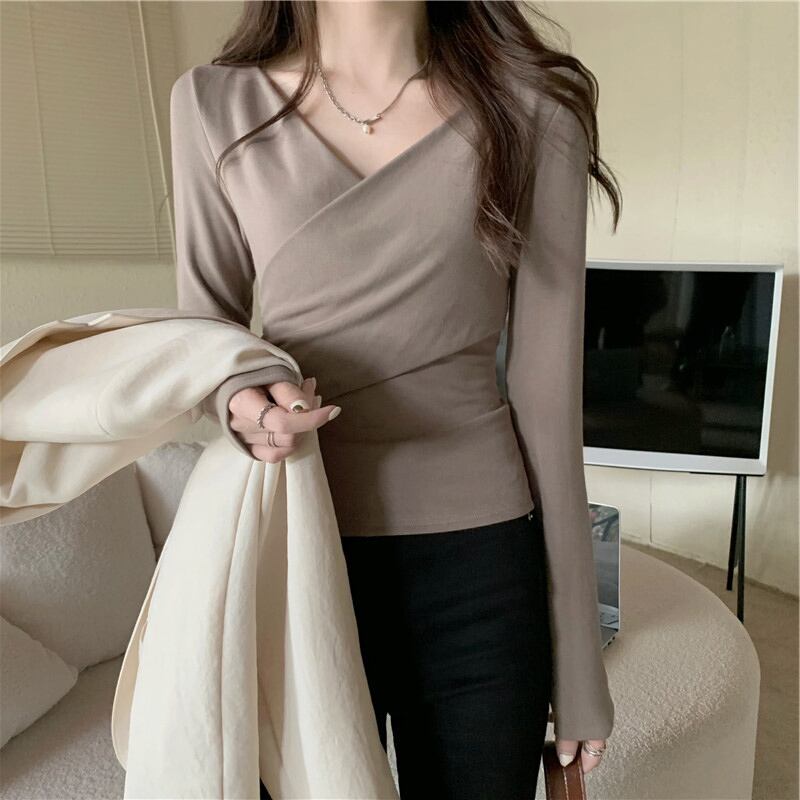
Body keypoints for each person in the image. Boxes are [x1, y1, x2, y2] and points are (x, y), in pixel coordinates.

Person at [169, 2, 622, 797]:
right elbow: (206, 337)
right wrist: (245, 401)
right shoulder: (212, 104)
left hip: (481, 567)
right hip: (296, 549)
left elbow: (549, 401)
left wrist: (579, 664)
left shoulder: (533, 113)